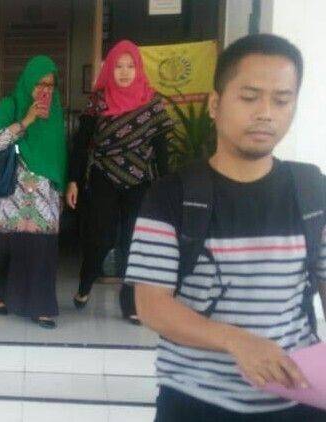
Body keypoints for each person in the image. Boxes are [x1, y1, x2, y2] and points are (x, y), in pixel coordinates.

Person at [127, 34, 326, 421]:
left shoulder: (312, 191)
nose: (266, 113)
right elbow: (151, 305)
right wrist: (237, 341)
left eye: (281, 100)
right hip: (196, 401)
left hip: (298, 399)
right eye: (249, 97)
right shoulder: (171, 195)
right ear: (215, 105)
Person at [66, 40, 173, 323]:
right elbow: (81, 144)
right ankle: (86, 282)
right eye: (118, 66)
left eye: (130, 66)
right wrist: (73, 180)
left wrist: (165, 186)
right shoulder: (98, 102)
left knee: (132, 242)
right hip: (104, 176)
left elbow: (161, 149)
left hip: (140, 180)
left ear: (138, 69)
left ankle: (131, 304)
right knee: (100, 238)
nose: (124, 72)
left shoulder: (152, 102)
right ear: (109, 69)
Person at [0, 56, 68, 329]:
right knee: (7, 247)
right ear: (28, 82)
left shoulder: (55, 112)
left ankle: (40, 306)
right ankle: (1, 294)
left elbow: (60, 153)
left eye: (50, 85)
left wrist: (63, 186)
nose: (45, 90)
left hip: (45, 192)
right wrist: (27, 120)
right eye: (39, 83)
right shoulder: (10, 104)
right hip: (12, 189)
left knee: (43, 250)